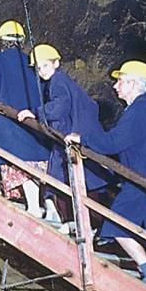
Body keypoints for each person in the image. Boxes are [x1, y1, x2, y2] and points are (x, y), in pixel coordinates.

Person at [67, 61, 146, 288]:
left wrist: (83, 139)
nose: (116, 86)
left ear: (132, 83)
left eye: (120, 81)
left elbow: (115, 142)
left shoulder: (140, 110)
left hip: (145, 182)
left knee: (116, 223)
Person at [22, 44, 105, 227]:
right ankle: (72, 219)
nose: (41, 71)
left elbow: (60, 107)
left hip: (67, 136)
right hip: (68, 134)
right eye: (38, 68)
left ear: (56, 63)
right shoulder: (61, 81)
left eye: (45, 66)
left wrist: (37, 112)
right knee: (66, 175)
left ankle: (64, 216)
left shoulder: (57, 82)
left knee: (58, 174)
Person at [0, 21, 42, 200]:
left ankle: (34, 207)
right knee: (32, 165)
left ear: (1, 41)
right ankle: (42, 207)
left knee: (15, 162)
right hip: (32, 124)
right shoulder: (31, 62)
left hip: (6, 124)